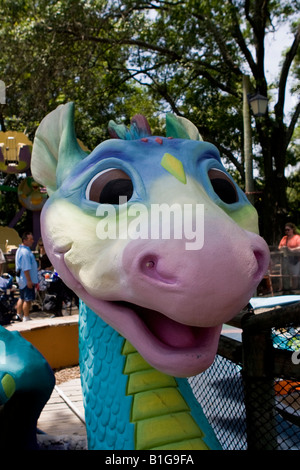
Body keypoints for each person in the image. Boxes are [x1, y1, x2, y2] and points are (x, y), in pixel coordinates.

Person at [15, 232, 38, 321]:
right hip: (26, 279)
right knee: (27, 299)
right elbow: (26, 268)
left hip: (21, 279)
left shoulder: (20, 250)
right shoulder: (25, 252)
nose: (32, 241)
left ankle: (18, 314)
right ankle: (26, 316)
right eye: (30, 239)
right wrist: (29, 280)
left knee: (22, 297)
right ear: (24, 240)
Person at [278, 223, 300, 289]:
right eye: (285, 230)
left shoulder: (297, 237)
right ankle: (286, 289)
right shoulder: (284, 238)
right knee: (285, 275)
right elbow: (279, 247)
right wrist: (283, 249)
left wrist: (290, 250)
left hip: (295, 259)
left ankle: (295, 289)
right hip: (285, 259)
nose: (287, 231)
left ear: (292, 229)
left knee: (294, 276)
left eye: (288, 230)